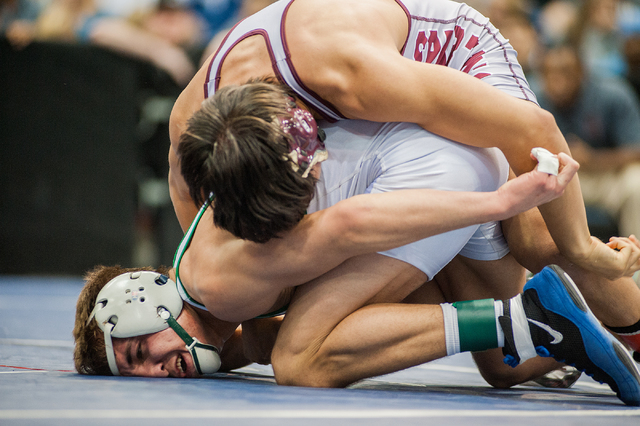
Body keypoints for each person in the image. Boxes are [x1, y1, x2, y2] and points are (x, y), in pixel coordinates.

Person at [75, 88, 640, 405]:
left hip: (427, 174)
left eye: (136, 354)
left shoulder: (218, 284)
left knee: (300, 360)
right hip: (433, 168)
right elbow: (381, 296)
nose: (154, 371)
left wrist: (502, 203)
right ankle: (619, 330)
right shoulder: (235, 330)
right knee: (502, 366)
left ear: (146, 303)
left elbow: (349, 226)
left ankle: (530, 317)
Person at [534, 44, 640, 240]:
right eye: (549, 73)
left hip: (607, 178)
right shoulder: (534, 100)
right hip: (556, 180)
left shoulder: (612, 95)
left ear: (581, 72)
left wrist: (593, 158)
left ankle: (636, 263)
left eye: (564, 72)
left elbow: (636, 151)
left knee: (637, 183)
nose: (556, 80)